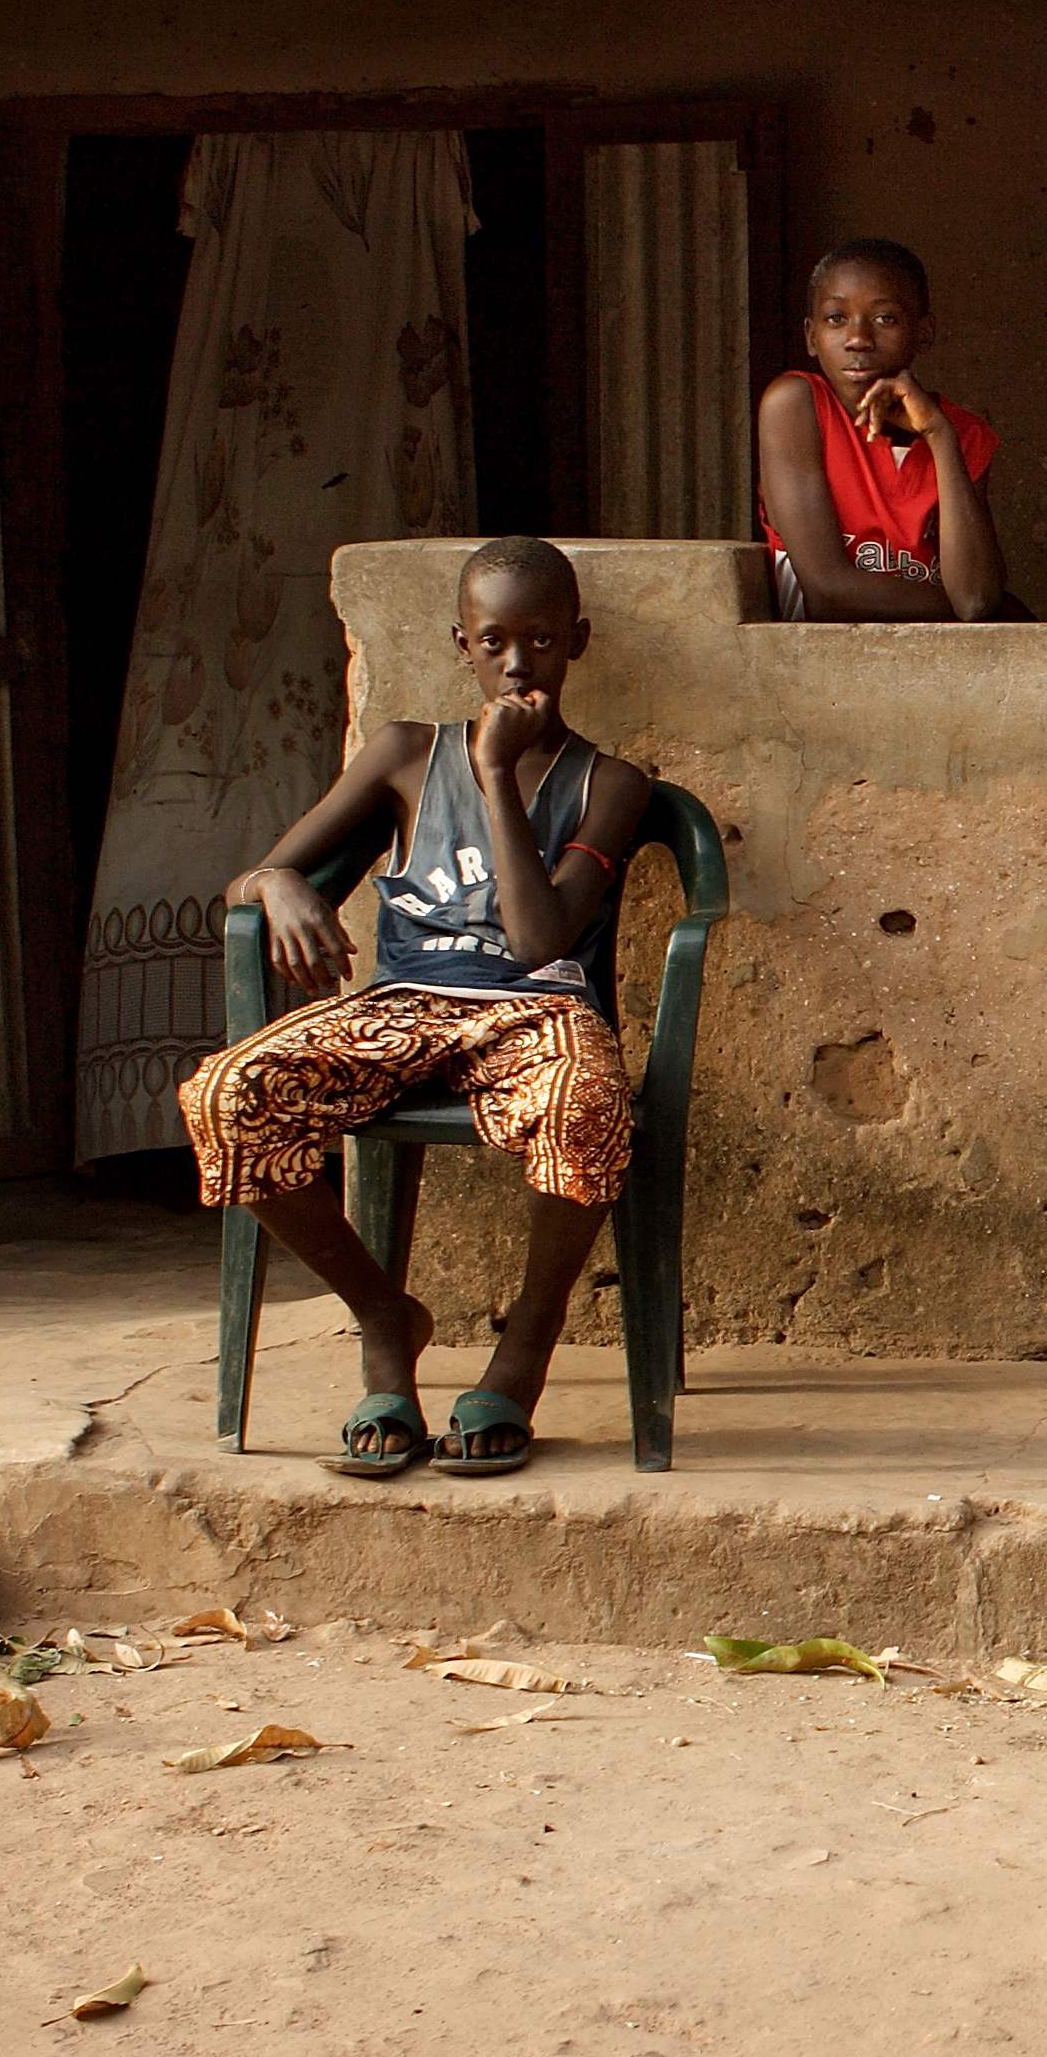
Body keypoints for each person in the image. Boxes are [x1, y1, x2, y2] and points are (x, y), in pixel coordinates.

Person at [180, 536, 653, 1480]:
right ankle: (384, 1317)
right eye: (494, 642)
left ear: (578, 643)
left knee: (587, 1107)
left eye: (542, 641)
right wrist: (279, 888)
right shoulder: (402, 752)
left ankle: (523, 1353)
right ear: (461, 644)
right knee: (227, 1095)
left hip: (536, 1009)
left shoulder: (612, 785)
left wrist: (495, 778)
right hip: (406, 1003)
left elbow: (535, 941)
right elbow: (260, 870)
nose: (518, 664)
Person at [757, 237, 1016, 620]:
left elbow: (976, 598)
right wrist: (1001, 612)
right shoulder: (797, 405)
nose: (858, 338)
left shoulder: (963, 433)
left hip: (943, 666)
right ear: (812, 337)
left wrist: (938, 436)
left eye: (885, 319)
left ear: (923, 332)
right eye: (836, 318)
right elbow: (828, 590)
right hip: (822, 662)